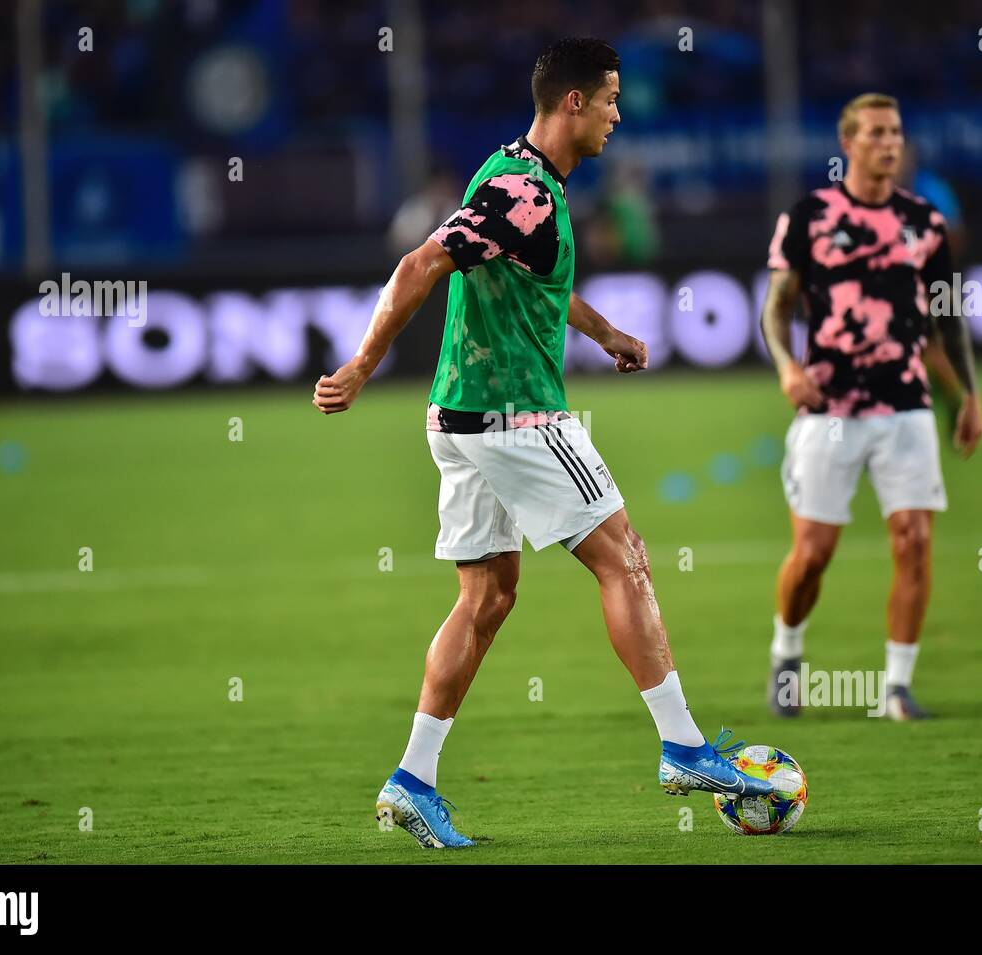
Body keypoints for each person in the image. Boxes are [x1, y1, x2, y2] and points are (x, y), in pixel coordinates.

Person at [314, 37, 772, 849]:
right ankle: (684, 747)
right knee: (622, 555)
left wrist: (602, 332)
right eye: (609, 101)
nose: (618, 117)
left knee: (486, 598)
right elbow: (422, 262)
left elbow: (532, 277)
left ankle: (412, 779)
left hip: (458, 418)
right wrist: (361, 363)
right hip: (517, 418)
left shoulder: (508, 174)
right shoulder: (527, 193)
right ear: (573, 103)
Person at [760, 92, 982, 722]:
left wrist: (966, 395)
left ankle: (897, 689)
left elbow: (945, 317)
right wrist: (787, 367)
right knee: (813, 555)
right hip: (829, 408)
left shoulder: (926, 223)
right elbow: (777, 307)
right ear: (848, 142)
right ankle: (787, 650)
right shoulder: (810, 216)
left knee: (913, 540)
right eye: (877, 133)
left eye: (897, 132)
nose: (891, 143)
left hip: (906, 404)